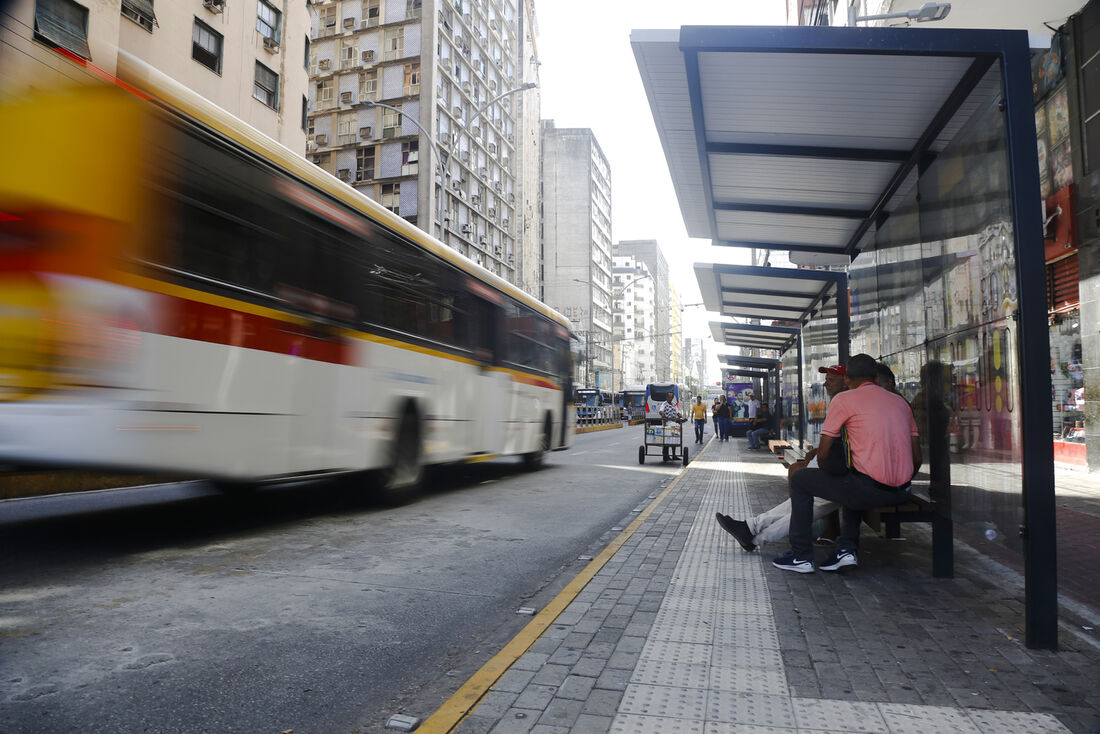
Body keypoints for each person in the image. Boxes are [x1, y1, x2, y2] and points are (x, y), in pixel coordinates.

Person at [773, 354, 922, 574]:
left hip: (868, 490)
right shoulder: (900, 402)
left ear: (848, 380)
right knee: (854, 480)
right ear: (875, 377)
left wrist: (828, 473)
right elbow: (917, 457)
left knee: (801, 479)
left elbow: (823, 453)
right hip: (901, 491)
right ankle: (846, 550)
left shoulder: (844, 400)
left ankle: (800, 555)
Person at [715, 364, 849, 551]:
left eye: (832, 379)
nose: (826, 384)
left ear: (847, 381)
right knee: (799, 502)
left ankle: (755, 536)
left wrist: (822, 464)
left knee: (804, 502)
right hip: (840, 471)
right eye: (826, 379)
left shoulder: (844, 402)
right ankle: (752, 528)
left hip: (846, 475)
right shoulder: (843, 401)